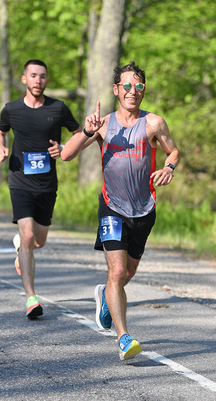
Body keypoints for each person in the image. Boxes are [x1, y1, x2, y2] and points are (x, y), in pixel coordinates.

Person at [61, 61, 180, 360]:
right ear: (116, 90)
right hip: (111, 206)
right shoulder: (102, 124)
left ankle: (104, 296)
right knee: (116, 270)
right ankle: (124, 337)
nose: (133, 91)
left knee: (128, 272)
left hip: (143, 208)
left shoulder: (154, 123)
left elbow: (173, 150)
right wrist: (86, 131)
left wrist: (169, 167)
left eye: (139, 86)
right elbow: (66, 154)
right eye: (127, 86)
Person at [0, 59, 81, 319]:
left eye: (42, 76)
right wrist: (0, 148)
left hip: (46, 184)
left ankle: (22, 249)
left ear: (47, 81)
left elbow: (78, 134)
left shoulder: (58, 108)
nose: (38, 81)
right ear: (24, 79)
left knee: (37, 240)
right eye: (33, 76)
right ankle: (31, 298)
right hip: (19, 180)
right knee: (29, 234)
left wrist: (63, 148)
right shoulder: (11, 110)